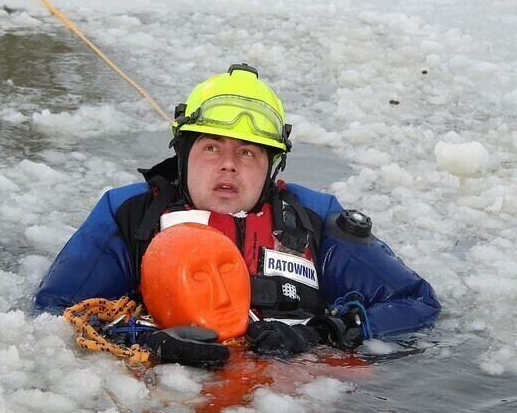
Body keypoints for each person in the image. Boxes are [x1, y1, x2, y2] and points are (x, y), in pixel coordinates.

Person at [35, 63, 440, 366]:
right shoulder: (129, 214)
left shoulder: (316, 219)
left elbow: (416, 303)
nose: (228, 165)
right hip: (167, 407)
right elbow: (55, 314)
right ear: (183, 154)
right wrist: (146, 342)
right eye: (212, 147)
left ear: (272, 167)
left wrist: (326, 333)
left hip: (294, 399)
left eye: (247, 152)